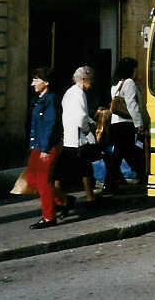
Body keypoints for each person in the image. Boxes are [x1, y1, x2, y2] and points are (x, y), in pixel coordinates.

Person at [25, 67, 68, 229]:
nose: (32, 83)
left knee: (43, 181)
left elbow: (50, 124)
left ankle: (49, 217)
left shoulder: (51, 99)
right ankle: (63, 200)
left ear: (46, 82)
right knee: (31, 179)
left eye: (36, 80)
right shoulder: (38, 98)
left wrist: (45, 148)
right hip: (37, 143)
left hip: (47, 145)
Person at [54, 66, 97, 207]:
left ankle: (59, 198)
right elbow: (81, 116)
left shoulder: (69, 92)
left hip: (68, 135)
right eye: (91, 80)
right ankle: (89, 197)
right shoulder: (79, 93)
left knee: (62, 169)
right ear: (84, 79)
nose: (92, 83)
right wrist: (87, 129)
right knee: (84, 168)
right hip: (78, 137)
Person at [104, 58, 146, 193]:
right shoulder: (129, 83)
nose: (137, 71)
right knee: (123, 154)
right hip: (126, 124)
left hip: (116, 124)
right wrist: (139, 123)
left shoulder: (115, 84)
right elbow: (132, 105)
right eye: (135, 68)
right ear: (131, 69)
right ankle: (109, 183)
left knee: (125, 153)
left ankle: (139, 176)